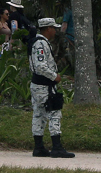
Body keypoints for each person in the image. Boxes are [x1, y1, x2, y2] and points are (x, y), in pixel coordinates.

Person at [29, 17, 73, 158]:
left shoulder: (37, 42)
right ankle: (56, 147)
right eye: (53, 28)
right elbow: (41, 66)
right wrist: (54, 76)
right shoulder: (41, 44)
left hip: (37, 84)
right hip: (44, 85)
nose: (55, 31)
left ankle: (39, 147)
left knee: (39, 114)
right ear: (47, 29)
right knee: (54, 113)